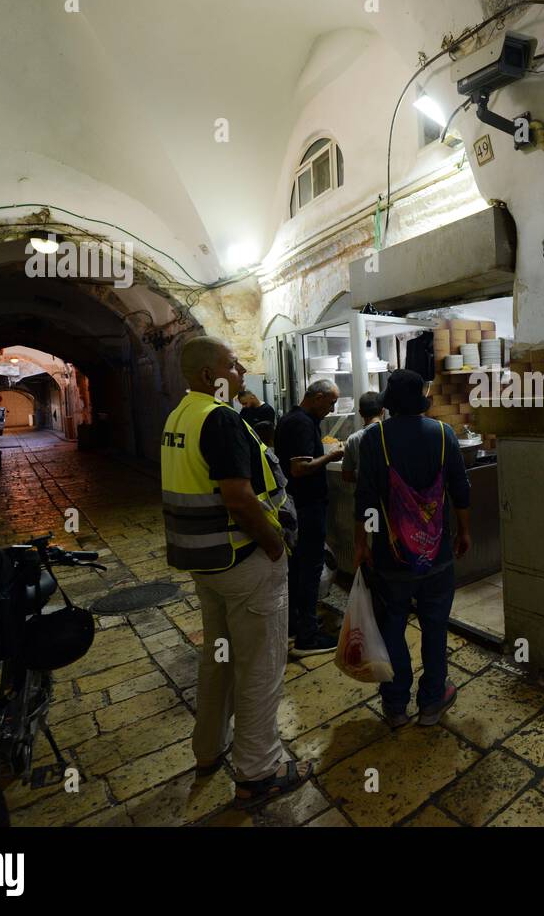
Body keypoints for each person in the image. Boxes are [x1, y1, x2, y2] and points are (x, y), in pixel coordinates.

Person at [160, 336, 308, 806]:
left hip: (205, 563)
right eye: (233, 363)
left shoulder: (180, 416)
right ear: (209, 375)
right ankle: (258, 771)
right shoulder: (220, 418)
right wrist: (274, 545)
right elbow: (239, 496)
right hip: (242, 559)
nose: (242, 369)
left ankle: (208, 749)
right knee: (260, 667)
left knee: (219, 659)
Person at [354, 370, 472, 728]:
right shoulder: (442, 434)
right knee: (435, 626)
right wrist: (464, 531)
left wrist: (362, 543)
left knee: (392, 627)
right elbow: (460, 488)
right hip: (436, 553)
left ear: (390, 403)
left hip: (392, 557)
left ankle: (395, 706)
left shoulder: (375, 440)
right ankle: (433, 702)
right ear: (420, 400)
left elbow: (366, 499)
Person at [275, 380, 345, 657]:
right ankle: (307, 637)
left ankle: (295, 624)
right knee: (309, 568)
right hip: (307, 506)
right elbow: (300, 468)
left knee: (298, 568)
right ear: (317, 398)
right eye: (330, 403)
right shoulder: (302, 423)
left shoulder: (292, 418)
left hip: (296, 505)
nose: (332, 408)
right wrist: (332, 456)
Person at [341, 391, 384, 484]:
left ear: (360, 413)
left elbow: (346, 475)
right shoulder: (391, 432)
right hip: (390, 494)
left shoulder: (353, 439)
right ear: (382, 411)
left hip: (365, 494)